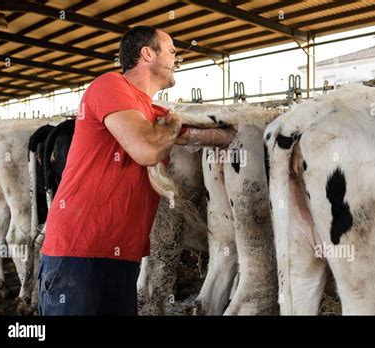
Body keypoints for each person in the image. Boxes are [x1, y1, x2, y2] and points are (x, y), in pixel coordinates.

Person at [38, 26, 234, 315]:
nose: (178, 60)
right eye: (171, 52)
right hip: (78, 252)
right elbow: (148, 149)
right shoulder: (110, 85)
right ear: (147, 54)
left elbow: (217, 135)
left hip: (123, 256)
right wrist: (174, 125)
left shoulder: (153, 113)